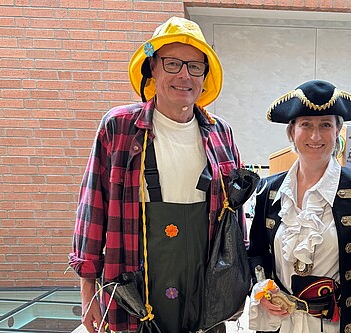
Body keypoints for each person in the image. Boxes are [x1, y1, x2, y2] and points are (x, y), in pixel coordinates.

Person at [69, 16, 241, 333]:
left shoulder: (221, 133)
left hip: (202, 287)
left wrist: (236, 282)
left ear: (205, 76)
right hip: (133, 286)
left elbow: (233, 217)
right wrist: (88, 289)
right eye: (172, 64)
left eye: (194, 66)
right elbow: (93, 208)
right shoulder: (119, 126)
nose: (184, 75)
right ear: (153, 68)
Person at [247, 80, 351, 333]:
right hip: (280, 324)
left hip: (336, 326)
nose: (315, 136)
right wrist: (261, 288)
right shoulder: (269, 191)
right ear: (292, 132)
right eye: (306, 125)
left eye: (325, 125)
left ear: (337, 132)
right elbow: (256, 252)